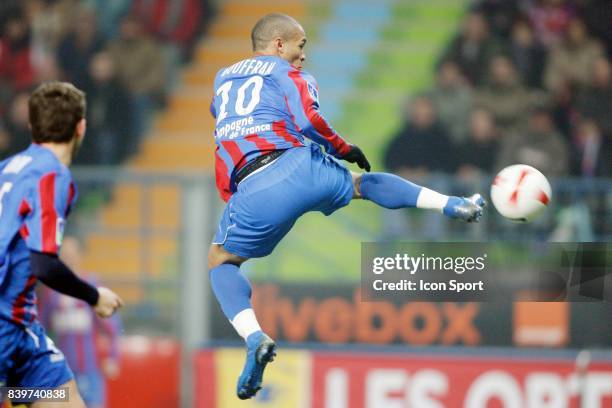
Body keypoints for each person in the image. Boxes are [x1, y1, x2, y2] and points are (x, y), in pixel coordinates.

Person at [207, 13, 485, 400]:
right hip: (300, 165)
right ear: (279, 46)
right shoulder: (291, 75)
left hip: (254, 187)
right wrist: (344, 148)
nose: (304, 56)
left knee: (221, 262)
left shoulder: (222, 80)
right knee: (364, 184)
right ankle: (450, 204)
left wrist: (231, 193)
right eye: (300, 46)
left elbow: (223, 135)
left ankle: (254, 337)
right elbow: (307, 119)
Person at [0, 82, 123, 408]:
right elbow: (43, 263)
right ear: (80, 127)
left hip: (23, 332)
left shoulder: (7, 169)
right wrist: (93, 296)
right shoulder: (52, 175)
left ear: (32, 126)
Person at [39, 237, 122, 408]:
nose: (69, 258)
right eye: (64, 255)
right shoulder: (51, 292)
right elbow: (41, 328)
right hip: (61, 372)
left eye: (72, 254)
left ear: (80, 256)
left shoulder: (92, 287)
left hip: (89, 370)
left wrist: (113, 357)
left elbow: (112, 327)